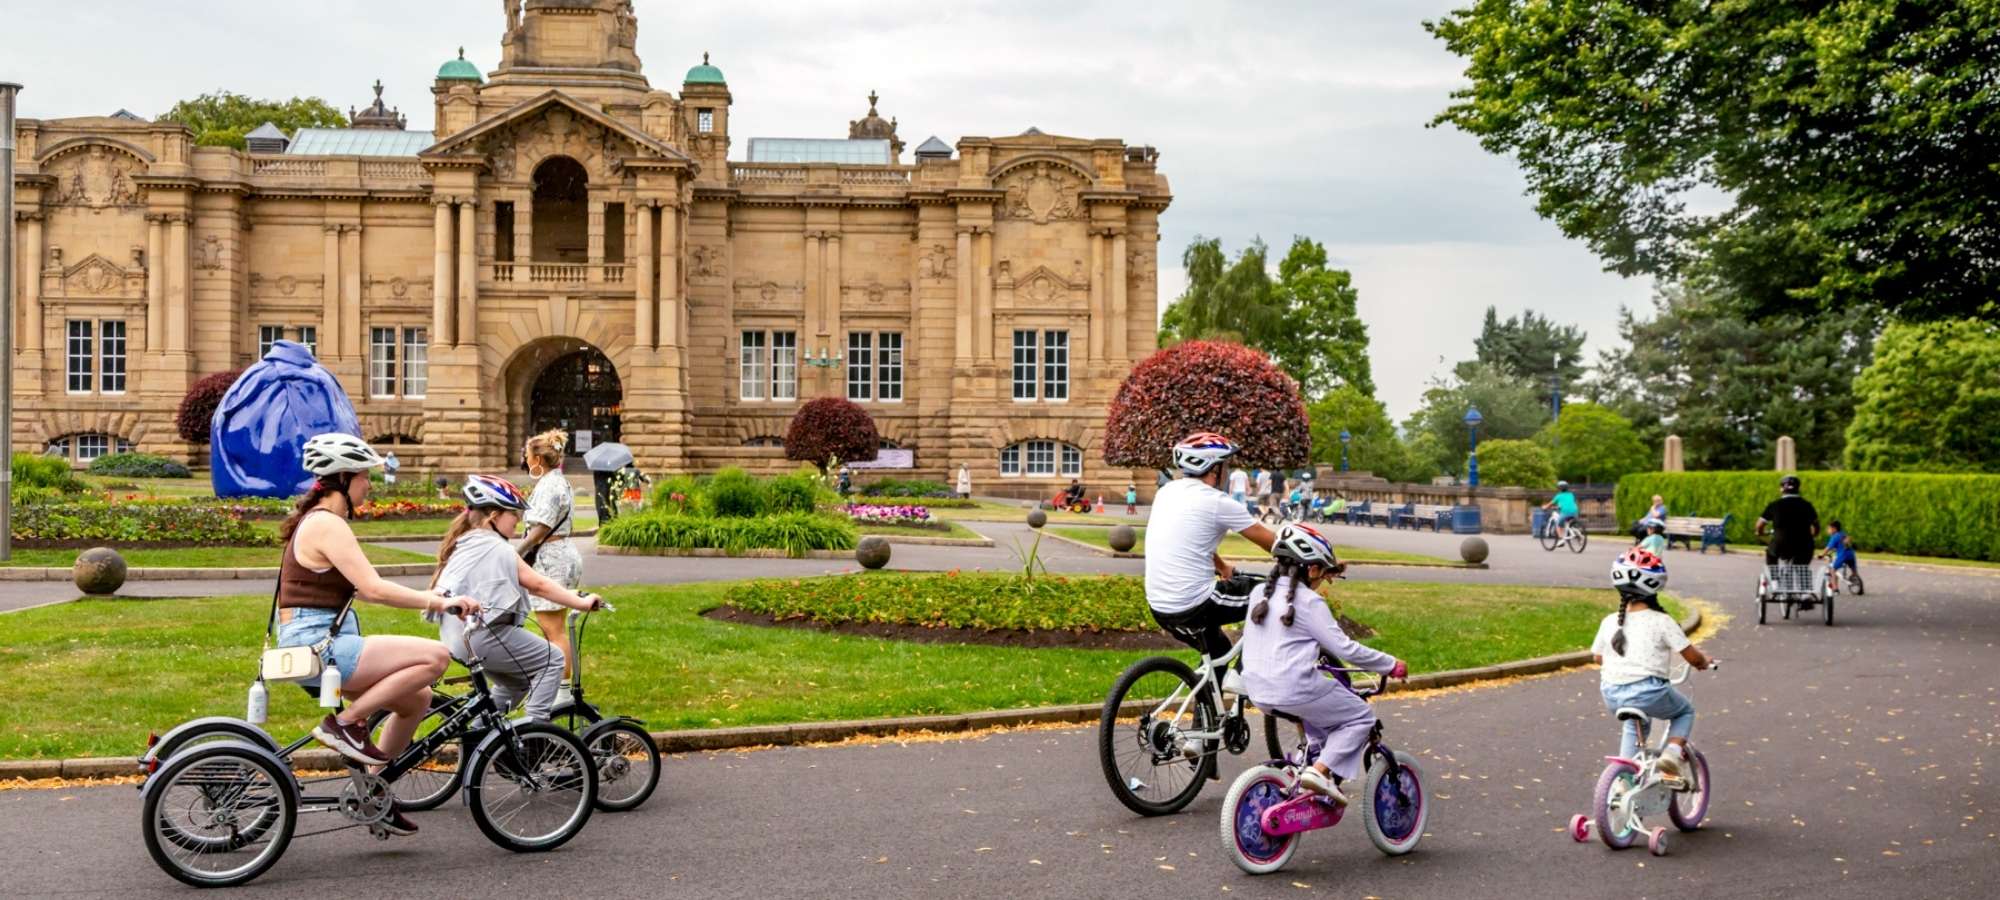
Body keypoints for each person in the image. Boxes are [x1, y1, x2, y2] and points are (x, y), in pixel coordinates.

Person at [276, 434, 459, 835]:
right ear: (343, 477)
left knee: (416, 700)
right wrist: (437, 602)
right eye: (364, 476)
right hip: (319, 645)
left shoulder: (316, 521)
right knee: (436, 657)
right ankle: (345, 725)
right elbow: (373, 589)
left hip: (309, 641)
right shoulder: (327, 523)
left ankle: (374, 791)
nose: (369, 485)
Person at [1240, 523, 1405, 804]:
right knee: (1361, 717)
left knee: (1320, 719)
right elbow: (1344, 648)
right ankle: (1319, 771)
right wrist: (1390, 664)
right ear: (1312, 569)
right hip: (1293, 688)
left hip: (1257, 690)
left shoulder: (1259, 594)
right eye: (1320, 570)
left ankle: (1309, 775)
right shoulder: (1309, 602)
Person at [432, 474, 605, 722]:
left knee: (516, 684)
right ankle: (536, 734)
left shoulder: (467, 541)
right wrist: (581, 602)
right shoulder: (497, 547)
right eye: (514, 513)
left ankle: (480, 737)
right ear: (494, 517)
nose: (520, 520)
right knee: (552, 659)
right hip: (482, 636)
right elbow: (538, 584)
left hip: (457, 636)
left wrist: (570, 595)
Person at [1145, 433, 1279, 700]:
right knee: (1272, 594)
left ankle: (1200, 736)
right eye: (1226, 466)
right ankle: (1242, 673)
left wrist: (1222, 565)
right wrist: (1317, 560)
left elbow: (1191, 540)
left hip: (1160, 605)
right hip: (1195, 603)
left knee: (1218, 651)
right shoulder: (1219, 502)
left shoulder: (1166, 492)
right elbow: (1274, 544)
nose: (1228, 473)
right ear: (1215, 469)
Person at [1592, 547, 1712, 785]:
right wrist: (1704, 662)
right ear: (1655, 587)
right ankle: (1672, 755)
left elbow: (1597, 657)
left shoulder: (1609, 622)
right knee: (1684, 712)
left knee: (1633, 725)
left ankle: (1623, 784)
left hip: (1612, 693)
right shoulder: (1662, 621)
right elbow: (1693, 657)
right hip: (1648, 692)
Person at [519, 429, 584, 704]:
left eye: (527, 454)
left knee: (553, 630)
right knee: (553, 628)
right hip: (558, 555)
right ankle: (560, 688)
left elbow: (540, 528)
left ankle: (562, 693)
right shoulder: (555, 481)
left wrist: (515, 553)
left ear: (537, 458)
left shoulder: (549, 485)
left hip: (551, 558)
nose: (524, 458)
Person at [1755, 475, 1820, 566]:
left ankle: (1774, 578)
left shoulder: (1774, 505)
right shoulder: (1807, 505)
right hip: (1804, 545)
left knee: (1771, 554)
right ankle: (1802, 578)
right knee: (1802, 566)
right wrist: (1813, 535)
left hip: (1780, 545)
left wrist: (1760, 533)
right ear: (1798, 488)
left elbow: (1759, 525)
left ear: (1782, 489)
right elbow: (1816, 526)